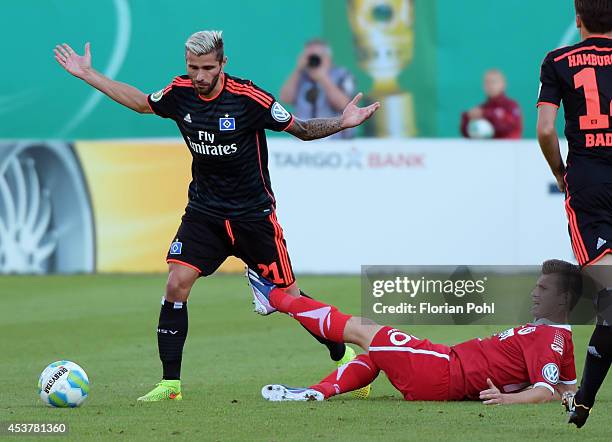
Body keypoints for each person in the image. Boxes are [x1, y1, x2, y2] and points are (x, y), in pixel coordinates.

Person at [53, 30, 380, 401]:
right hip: (204, 213)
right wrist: (89, 75)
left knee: (287, 297)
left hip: (253, 217)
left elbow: (302, 130)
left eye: (208, 68)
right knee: (177, 282)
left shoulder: (249, 98)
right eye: (193, 67)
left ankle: (343, 355)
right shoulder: (180, 91)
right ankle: (170, 385)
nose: (200, 76)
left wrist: (342, 121)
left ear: (223, 64)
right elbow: (142, 103)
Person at [247, 260, 579, 405]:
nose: (534, 294)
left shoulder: (546, 338)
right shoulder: (559, 338)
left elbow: (543, 392)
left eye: (543, 289)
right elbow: (565, 389)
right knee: (375, 354)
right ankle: (318, 392)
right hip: (443, 370)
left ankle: (273, 297)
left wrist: (507, 399)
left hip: (442, 369)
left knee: (363, 328)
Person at [536, 0, 612, 428]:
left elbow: (546, 129)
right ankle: (582, 401)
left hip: (589, 187)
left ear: (578, 20)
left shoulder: (557, 60)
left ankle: (582, 400)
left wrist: (560, 171)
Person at [279, 39, 356, 139]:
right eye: (309, 57)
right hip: (303, 137)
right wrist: (298, 69)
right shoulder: (300, 76)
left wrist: (323, 77)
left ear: (328, 58)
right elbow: (285, 98)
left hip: (335, 140)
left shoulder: (342, 75)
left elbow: (343, 105)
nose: (313, 60)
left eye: (317, 57)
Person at [460, 69, 522, 139]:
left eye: (494, 82)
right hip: (485, 149)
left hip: (508, 148)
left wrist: (486, 114)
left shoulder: (511, 106)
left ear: (503, 84)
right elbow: (466, 133)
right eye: (487, 82)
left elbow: (509, 126)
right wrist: (467, 118)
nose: (490, 86)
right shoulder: (482, 108)